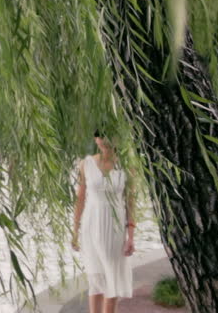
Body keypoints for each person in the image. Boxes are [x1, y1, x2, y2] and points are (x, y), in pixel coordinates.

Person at [71, 130, 135, 313]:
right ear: (95, 138)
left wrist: (131, 237)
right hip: (91, 224)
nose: (104, 139)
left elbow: (131, 202)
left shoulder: (126, 165)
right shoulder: (86, 164)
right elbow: (80, 199)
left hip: (114, 226)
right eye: (100, 135)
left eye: (108, 134)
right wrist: (75, 232)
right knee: (95, 277)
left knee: (111, 277)